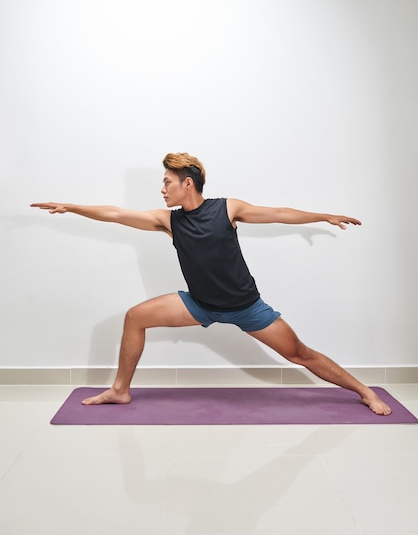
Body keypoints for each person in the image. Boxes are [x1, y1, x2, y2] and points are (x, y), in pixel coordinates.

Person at [31, 152, 391, 415]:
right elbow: (116, 214)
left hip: (247, 307)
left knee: (299, 353)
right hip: (199, 303)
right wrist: (72, 207)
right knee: (135, 316)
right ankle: (120, 390)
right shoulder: (168, 221)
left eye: (167, 183)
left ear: (187, 183)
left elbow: (279, 214)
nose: (162, 190)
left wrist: (323, 216)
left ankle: (363, 391)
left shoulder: (228, 209)